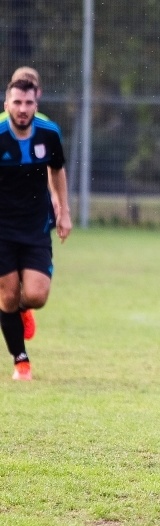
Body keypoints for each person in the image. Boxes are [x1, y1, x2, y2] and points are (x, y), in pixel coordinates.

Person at [0, 78, 72, 380]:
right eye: (17, 102)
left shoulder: (49, 133)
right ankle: (21, 362)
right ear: (7, 104)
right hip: (2, 228)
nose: (23, 109)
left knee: (36, 295)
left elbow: (57, 170)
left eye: (28, 103)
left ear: (35, 105)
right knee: (7, 294)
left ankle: (19, 310)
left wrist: (63, 211)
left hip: (35, 226)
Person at [0, 67, 52, 341]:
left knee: (34, 287)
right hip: (6, 215)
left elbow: (52, 167)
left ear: (37, 95)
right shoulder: (2, 125)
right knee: (8, 283)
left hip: (34, 213)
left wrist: (58, 203)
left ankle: (22, 305)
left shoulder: (45, 126)